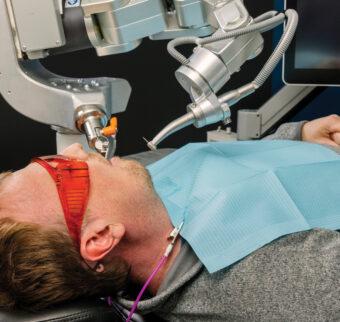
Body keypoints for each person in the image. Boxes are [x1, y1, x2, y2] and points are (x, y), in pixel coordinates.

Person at [0, 116, 339, 321]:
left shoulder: (137, 196)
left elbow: (225, 175)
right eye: (63, 171)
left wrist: (298, 138)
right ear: (100, 237)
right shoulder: (283, 282)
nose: (74, 151)